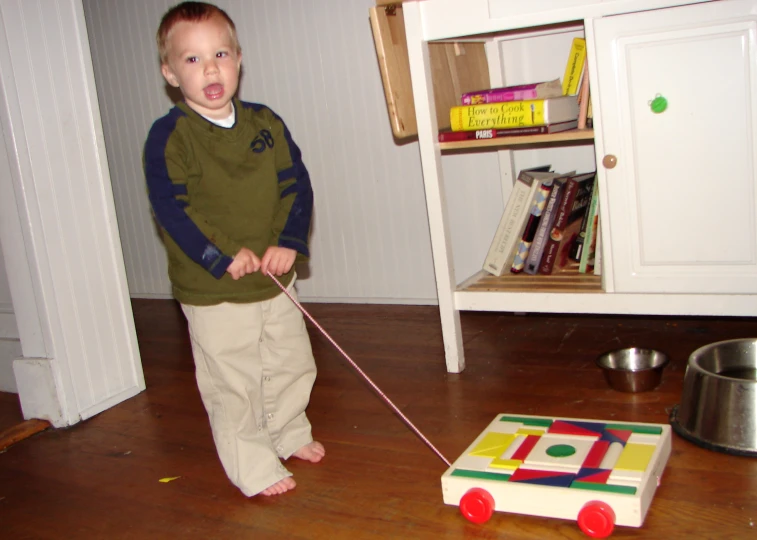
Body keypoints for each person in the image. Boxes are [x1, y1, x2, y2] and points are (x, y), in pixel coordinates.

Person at [143, 1, 323, 497]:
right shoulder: (170, 137)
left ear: (239, 59)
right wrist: (221, 255)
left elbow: (296, 187)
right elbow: (172, 209)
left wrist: (288, 242)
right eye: (193, 59)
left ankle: (288, 432)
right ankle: (252, 464)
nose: (211, 68)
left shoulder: (265, 122)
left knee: (291, 361)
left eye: (220, 53)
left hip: (274, 277)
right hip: (213, 289)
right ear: (170, 73)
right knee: (234, 380)